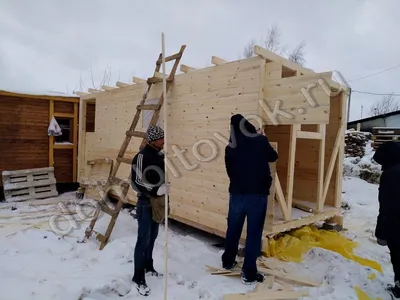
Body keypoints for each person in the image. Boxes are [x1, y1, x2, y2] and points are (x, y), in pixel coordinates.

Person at [221, 114, 278, 285]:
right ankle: (249, 273)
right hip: (256, 195)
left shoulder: (230, 147)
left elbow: (229, 171)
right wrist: (262, 138)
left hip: (237, 194)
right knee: (253, 233)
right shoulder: (259, 141)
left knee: (233, 229)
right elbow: (273, 156)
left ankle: (228, 261)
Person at [130, 125, 169, 296]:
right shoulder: (141, 157)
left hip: (159, 203)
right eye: (161, 138)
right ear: (152, 140)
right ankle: (138, 277)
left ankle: (148, 266)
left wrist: (165, 191)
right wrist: (154, 190)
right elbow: (137, 181)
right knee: (143, 240)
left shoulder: (160, 155)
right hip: (146, 203)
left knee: (153, 236)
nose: (163, 141)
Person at [372, 141, 400, 298]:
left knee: (398, 255)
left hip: (397, 226)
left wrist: (381, 232)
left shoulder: (391, 175)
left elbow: (388, 206)